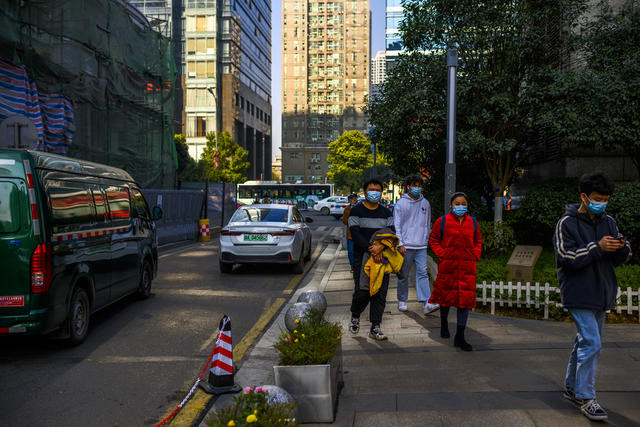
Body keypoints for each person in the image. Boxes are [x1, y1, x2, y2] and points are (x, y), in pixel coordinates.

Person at [553, 172, 631, 421]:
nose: (602, 202)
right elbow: (567, 257)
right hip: (578, 292)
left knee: (585, 341)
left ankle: (572, 387)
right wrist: (598, 247)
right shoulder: (566, 222)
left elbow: (621, 256)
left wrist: (621, 247)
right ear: (583, 197)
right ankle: (587, 397)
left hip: (602, 291)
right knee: (592, 342)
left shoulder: (608, 221)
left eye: (605, 199)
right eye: (597, 198)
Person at [428, 192, 482, 351]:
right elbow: (433, 240)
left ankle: (460, 336)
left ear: (467, 205)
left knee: (464, 301)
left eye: (463, 203)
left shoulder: (473, 222)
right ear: (451, 205)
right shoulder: (442, 221)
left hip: (467, 267)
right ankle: (444, 323)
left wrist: (475, 254)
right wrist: (442, 254)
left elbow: (478, 240)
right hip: (448, 266)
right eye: (457, 203)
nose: (460, 206)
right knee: (445, 298)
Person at [348, 178, 395, 340]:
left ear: (381, 193)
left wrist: (381, 247)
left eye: (377, 189)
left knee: (380, 293)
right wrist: (372, 249)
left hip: (383, 259)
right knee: (363, 291)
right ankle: (355, 314)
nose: (374, 192)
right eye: (371, 189)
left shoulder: (387, 212)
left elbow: (391, 233)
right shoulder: (356, 212)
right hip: (362, 258)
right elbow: (355, 233)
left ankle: (375, 327)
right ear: (365, 191)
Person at [394, 175, 439, 315]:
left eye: (419, 185)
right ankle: (402, 300)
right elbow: (397, 226)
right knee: (403, 274)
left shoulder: (425, 203)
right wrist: (400, 243)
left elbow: (427, 224)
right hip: (406, 246)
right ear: (408, 186)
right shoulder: (401, 204)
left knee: (422, 273)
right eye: (414, 185)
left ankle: (427, 303)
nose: (417, 188)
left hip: (421, 246)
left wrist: (426, 240)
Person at [342, 193, 359, 272]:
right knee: (350, 251)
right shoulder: (347, 209)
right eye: (352, 199)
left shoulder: (360, 207)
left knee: (358, 251)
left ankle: (358, 265)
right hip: (350, 234)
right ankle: (353, 266)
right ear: (349, 200)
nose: (354, 201)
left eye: (355, 199)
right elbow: (344, 221)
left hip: (360, 233)